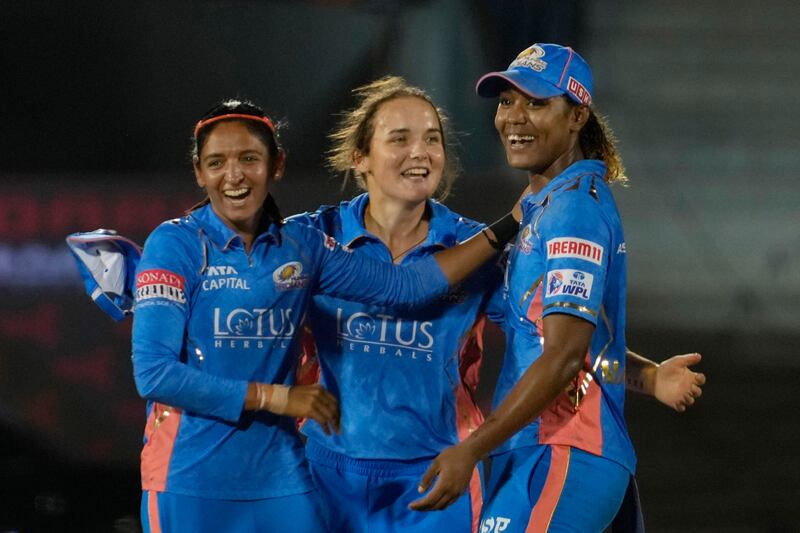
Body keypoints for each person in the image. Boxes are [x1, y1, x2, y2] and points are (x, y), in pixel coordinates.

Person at [131, 99, 518, 533]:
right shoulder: (183, 243)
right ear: (199, 173)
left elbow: (405, 288)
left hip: (332, 479)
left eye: (249, 159)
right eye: (216, 163)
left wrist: (511, 224)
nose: (235, 175)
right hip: (226, 477)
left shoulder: (303, 246)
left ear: (276, 165)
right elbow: (154, 373)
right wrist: (276, 397)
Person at [408, 43, 705, 532]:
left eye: (537, 103)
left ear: (578, 116)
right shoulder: (548, 203)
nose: (514, 118)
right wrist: (648, 377)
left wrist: (471, 449)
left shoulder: (573, 211)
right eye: (506, 101)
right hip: (544, 450)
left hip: (565, 447)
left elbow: (565, 356)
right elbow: (573, 343)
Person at [289, 76, 504, 533]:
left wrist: (646, 376)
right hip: (325, 477)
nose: (420, 152)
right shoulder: (312, 237)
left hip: (435, 480)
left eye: (432, 139)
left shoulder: (478, 249)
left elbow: (558, 335)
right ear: (359, 157)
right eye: (400, 139)